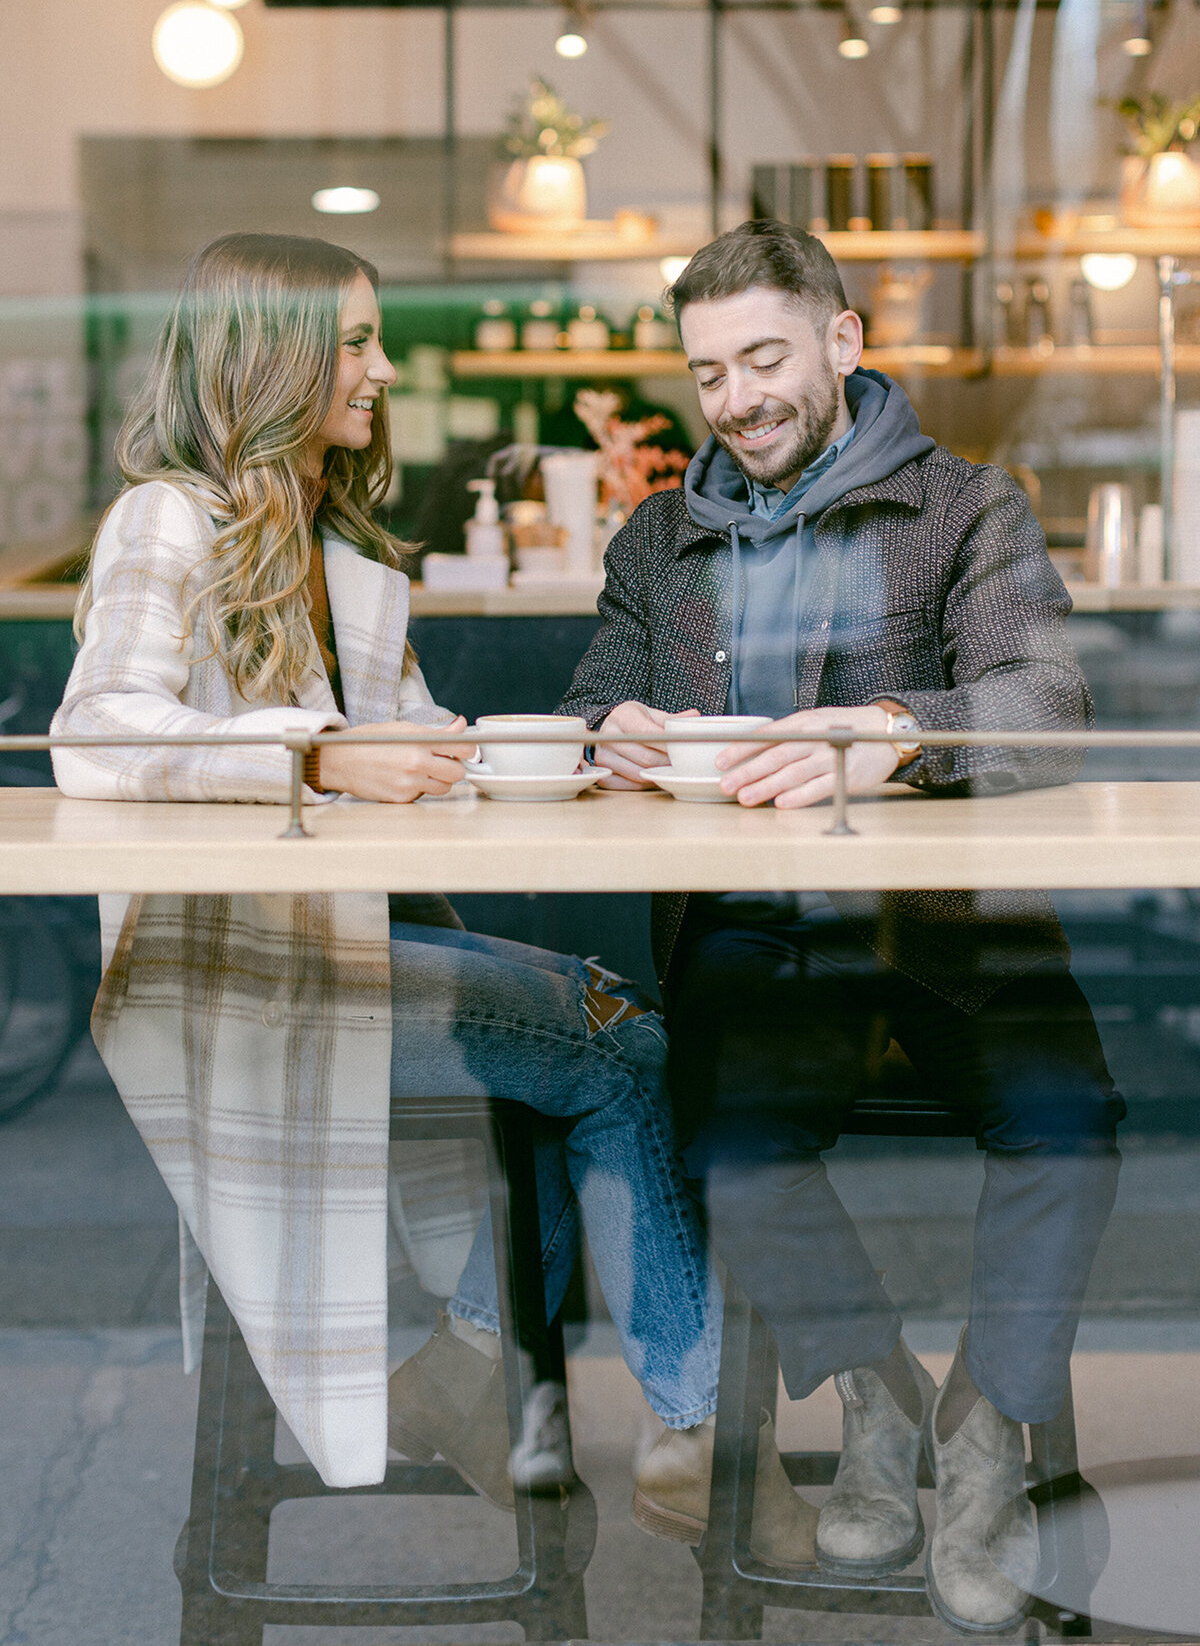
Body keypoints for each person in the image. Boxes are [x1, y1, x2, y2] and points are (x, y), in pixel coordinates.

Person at [48, 232, 818, 1564]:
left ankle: (488, 1375)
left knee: (594, 1034)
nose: (384, 367)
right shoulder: (167, 518)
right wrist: (321, 753)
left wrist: (573, 751)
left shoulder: (337, 552)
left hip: (330, 951)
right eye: (356, 340)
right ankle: (678, 1429)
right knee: (619, 1042)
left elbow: (422, 746)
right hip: (232, 973)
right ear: (272, 357)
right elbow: (97, 734)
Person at [557, 220, 1124, 1633]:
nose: (738, 397)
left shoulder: (965, 507)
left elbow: (1047, 706)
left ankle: (986, 1426)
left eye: (764, 357)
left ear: (842, 341)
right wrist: (602, 734)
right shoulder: (658, 534)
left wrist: (885, 734)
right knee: (731, 1141)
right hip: (757, 927)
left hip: (953, 920)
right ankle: (875, 1395)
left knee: (1072, 1124)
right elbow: (583, 703)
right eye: (708, 373)